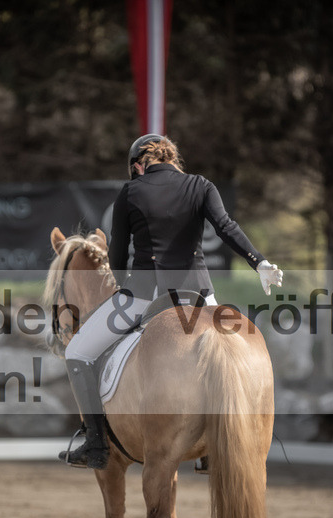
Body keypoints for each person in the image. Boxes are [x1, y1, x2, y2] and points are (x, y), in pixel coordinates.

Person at [59, 134, 283, 469]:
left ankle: (95, 444)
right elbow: (226, 227)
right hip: (201, 295)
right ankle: (210, 448)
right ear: (173, 159)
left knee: (76, 352)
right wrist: (260, 262)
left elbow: (118, 256)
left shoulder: (130, 192)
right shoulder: (201, 185)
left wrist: (123, 286)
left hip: (145, 295)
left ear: (139, 165)